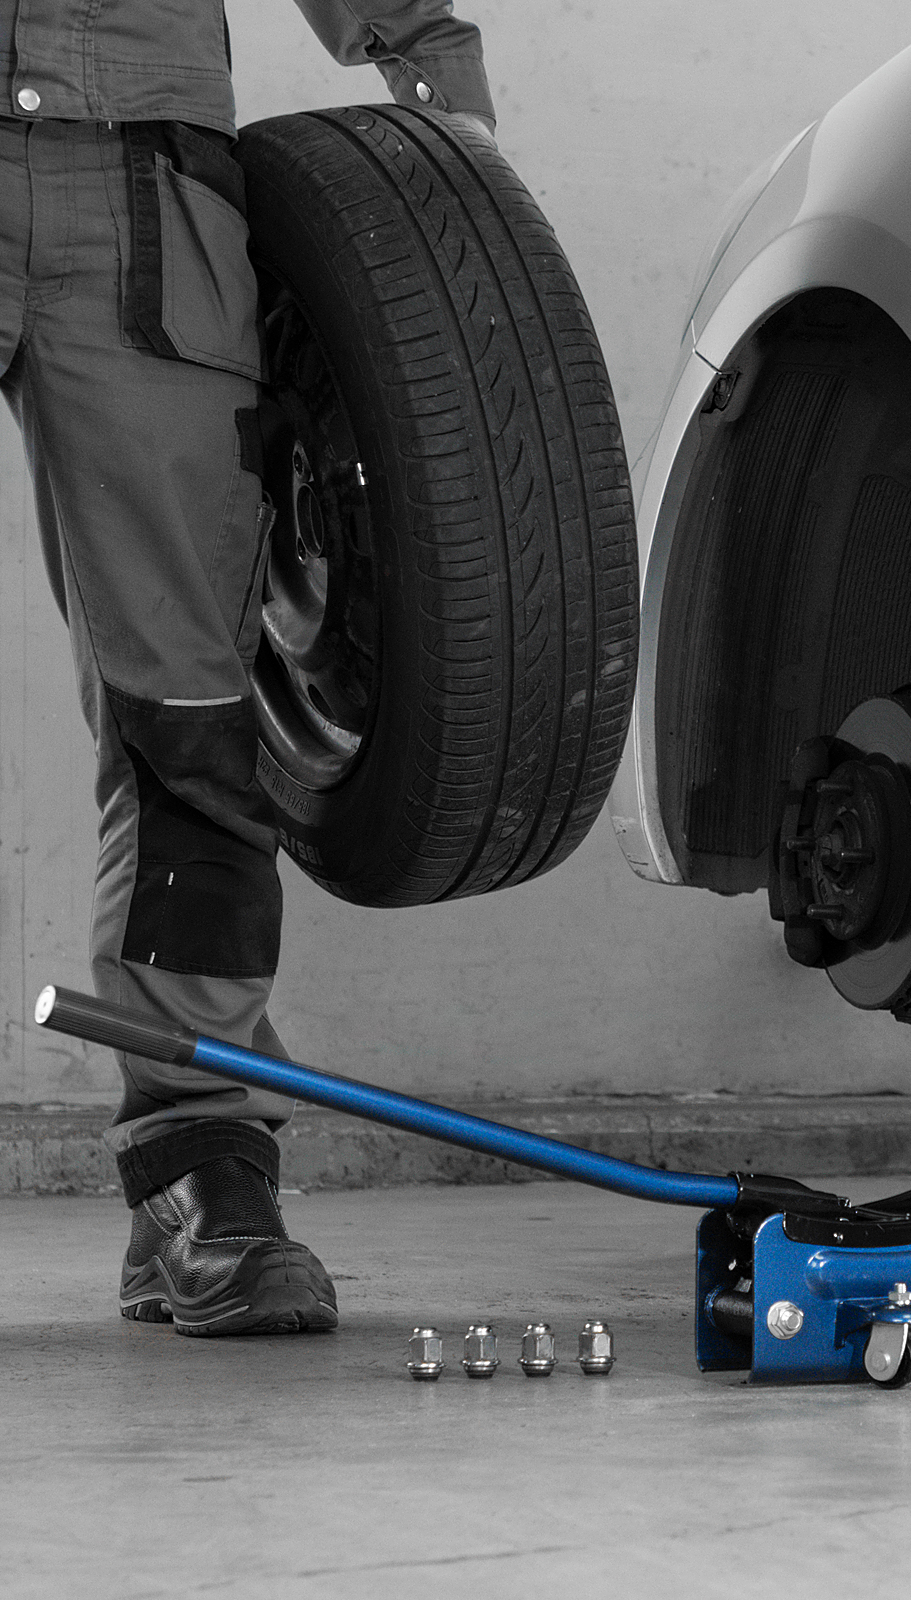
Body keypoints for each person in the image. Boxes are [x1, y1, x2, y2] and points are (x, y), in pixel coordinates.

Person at [1, 0, 495, 1334]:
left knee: (190, 712)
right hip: (142, 176)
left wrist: (432, 74)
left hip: (140, 185)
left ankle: (199, 1164)